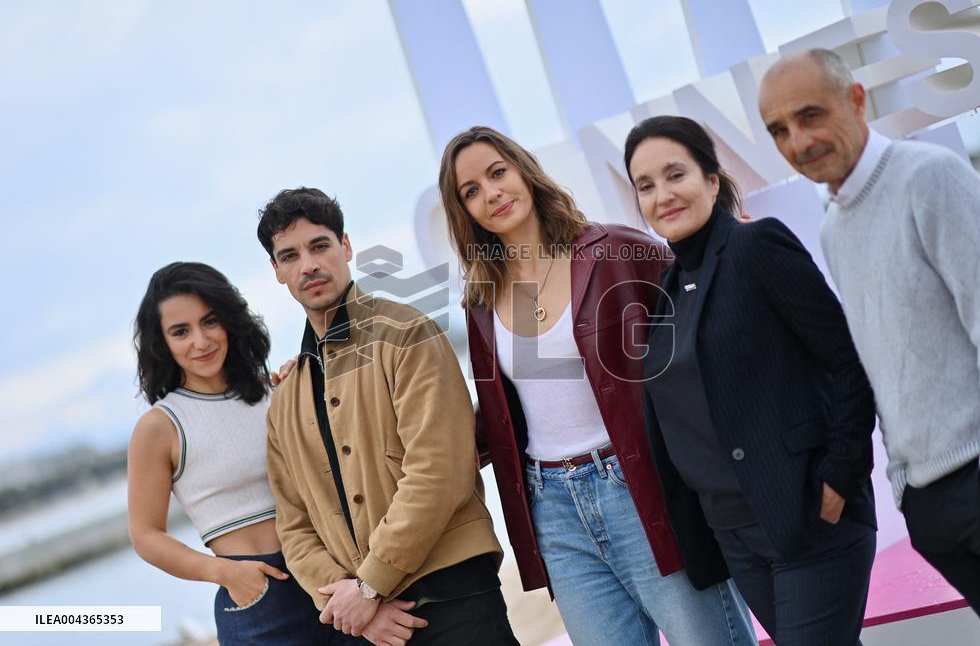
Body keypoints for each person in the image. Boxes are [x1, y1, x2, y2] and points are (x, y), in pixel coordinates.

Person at [438, 126, 755, 646]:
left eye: (497, 173)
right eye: (471, 191)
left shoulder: (616, 252)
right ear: (463, 211)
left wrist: (740, 249)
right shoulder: (485, 299)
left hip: (643, 489)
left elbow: (706, 320)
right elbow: (507, 412)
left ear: (524, 171)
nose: (491, 193)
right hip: (555, 513)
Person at [758, 48, 980, 640]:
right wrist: (904, 486)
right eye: (779, 130)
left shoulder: (928, 177)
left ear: (857, 99)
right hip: (929, 499)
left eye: (810, 115)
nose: (798, 140)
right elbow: (882, 359)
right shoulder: (834, 228)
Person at [625, 115, 878, 644]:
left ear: (711, 180)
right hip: (734, 536)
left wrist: (841, 473)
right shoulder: (668, 289)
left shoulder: (756, 246)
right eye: (645, 185)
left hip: (807, 515)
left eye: (676, 174)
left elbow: (848, 358)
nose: (662, 195)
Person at [257, 187, 518, 646]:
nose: (308, 265)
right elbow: (294, 524)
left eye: (320, 246)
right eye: (290, 255)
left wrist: (369, 585)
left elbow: (440, 472)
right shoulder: (286, 397)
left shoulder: (408, 335)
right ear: (277, 271)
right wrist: (347, 601)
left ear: (346, 247)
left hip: (451, 593)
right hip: (364, 623)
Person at [128, 261, 353, 644]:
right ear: (162, 343)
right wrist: (225, 574)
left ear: (230, 319)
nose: (200, 341)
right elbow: (146, 534)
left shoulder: (277, 391)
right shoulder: (160, 425)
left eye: (210, 321)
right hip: (257, 596)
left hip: (332, 574)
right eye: (180, 331)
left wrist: (305, 388)